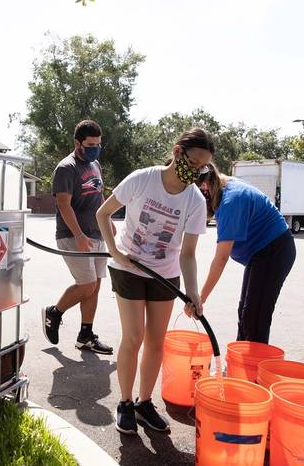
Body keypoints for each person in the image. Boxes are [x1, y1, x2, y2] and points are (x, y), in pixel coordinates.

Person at [95, 128, 213, 435]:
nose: (196, 170)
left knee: (156, 342)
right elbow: (103, 213)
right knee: (133, 337)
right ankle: (124, 403)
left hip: (165, 272)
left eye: (203, 167)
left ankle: (143, 403)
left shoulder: (195, 201)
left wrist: (193, 293)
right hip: (128, 267)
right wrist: (115, 253)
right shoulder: (143, 179)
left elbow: (187, 254)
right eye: (194, 161)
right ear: (177, 152)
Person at [197, 163, 296, 344]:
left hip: (273, 251)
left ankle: (252, 367)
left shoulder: (230, 201)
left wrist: (201, 298)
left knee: (255, 316)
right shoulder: (223, 185)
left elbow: (221, 258)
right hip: (262, 254)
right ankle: (241, 362)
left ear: (204, 187)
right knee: (247, 311)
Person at [42, 120, 114, 355]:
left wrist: (108, 221)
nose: (95, 148)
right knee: (87, 285)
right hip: (73, 236)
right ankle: (55, 312)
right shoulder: (66, 168)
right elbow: (63, 205)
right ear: (77, 143)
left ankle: (85, 335)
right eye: (90, 144)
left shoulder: (95, 164)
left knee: (95, 286)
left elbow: (98, 196)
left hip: (96, 233)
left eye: (98, 144)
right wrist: (79, 235)